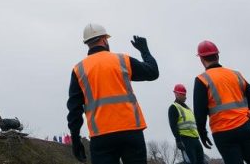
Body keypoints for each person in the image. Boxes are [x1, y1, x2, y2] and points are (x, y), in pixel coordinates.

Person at [67, 23, 160, 164]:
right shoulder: (122, 60)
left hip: (101, 137)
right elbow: (153, 72)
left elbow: (74, 109)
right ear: (104, 39)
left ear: (87, 43)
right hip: (131, 131)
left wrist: (75, 139)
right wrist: (144, 50)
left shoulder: (78, 70)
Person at [192, 40, 250, 164]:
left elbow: (200, 111)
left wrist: (202, 133)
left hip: (223, 133)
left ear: (201, 59)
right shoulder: (235, 74)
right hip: (246, 127)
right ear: (217, 56)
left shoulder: (202, 79)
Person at [168, 84, 204, 164]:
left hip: (195, 139)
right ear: (176, 94)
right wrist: (178, 140)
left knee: (201, 161)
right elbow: (173, 125)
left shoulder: (188, 109)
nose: (185, 96)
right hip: (185, 140)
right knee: (191, 162)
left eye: (185, 94)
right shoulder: (173, 107)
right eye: (182, 94)